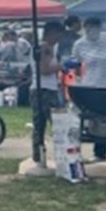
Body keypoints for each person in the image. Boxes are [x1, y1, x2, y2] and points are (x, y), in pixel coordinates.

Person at [71, 16, 106, 162]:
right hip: (92, 85)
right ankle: (99, 153)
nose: (92, 31)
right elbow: (76, 64)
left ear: (100, 28)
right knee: (97, 118)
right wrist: (77, 78)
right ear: (85, 28)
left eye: (95, 27)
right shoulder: (79, 44)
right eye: (89, 28)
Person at [32, 20, 63, 162]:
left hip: (44, 88)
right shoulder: (45, 48)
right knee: (56, 124)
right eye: (58, 35)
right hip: (45, 90)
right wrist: (62, 66)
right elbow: (44, 70)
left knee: (39, 124)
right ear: (51, 33)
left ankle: (39, 156)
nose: (58, 39)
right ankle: (59, 154)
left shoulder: (43, 47)